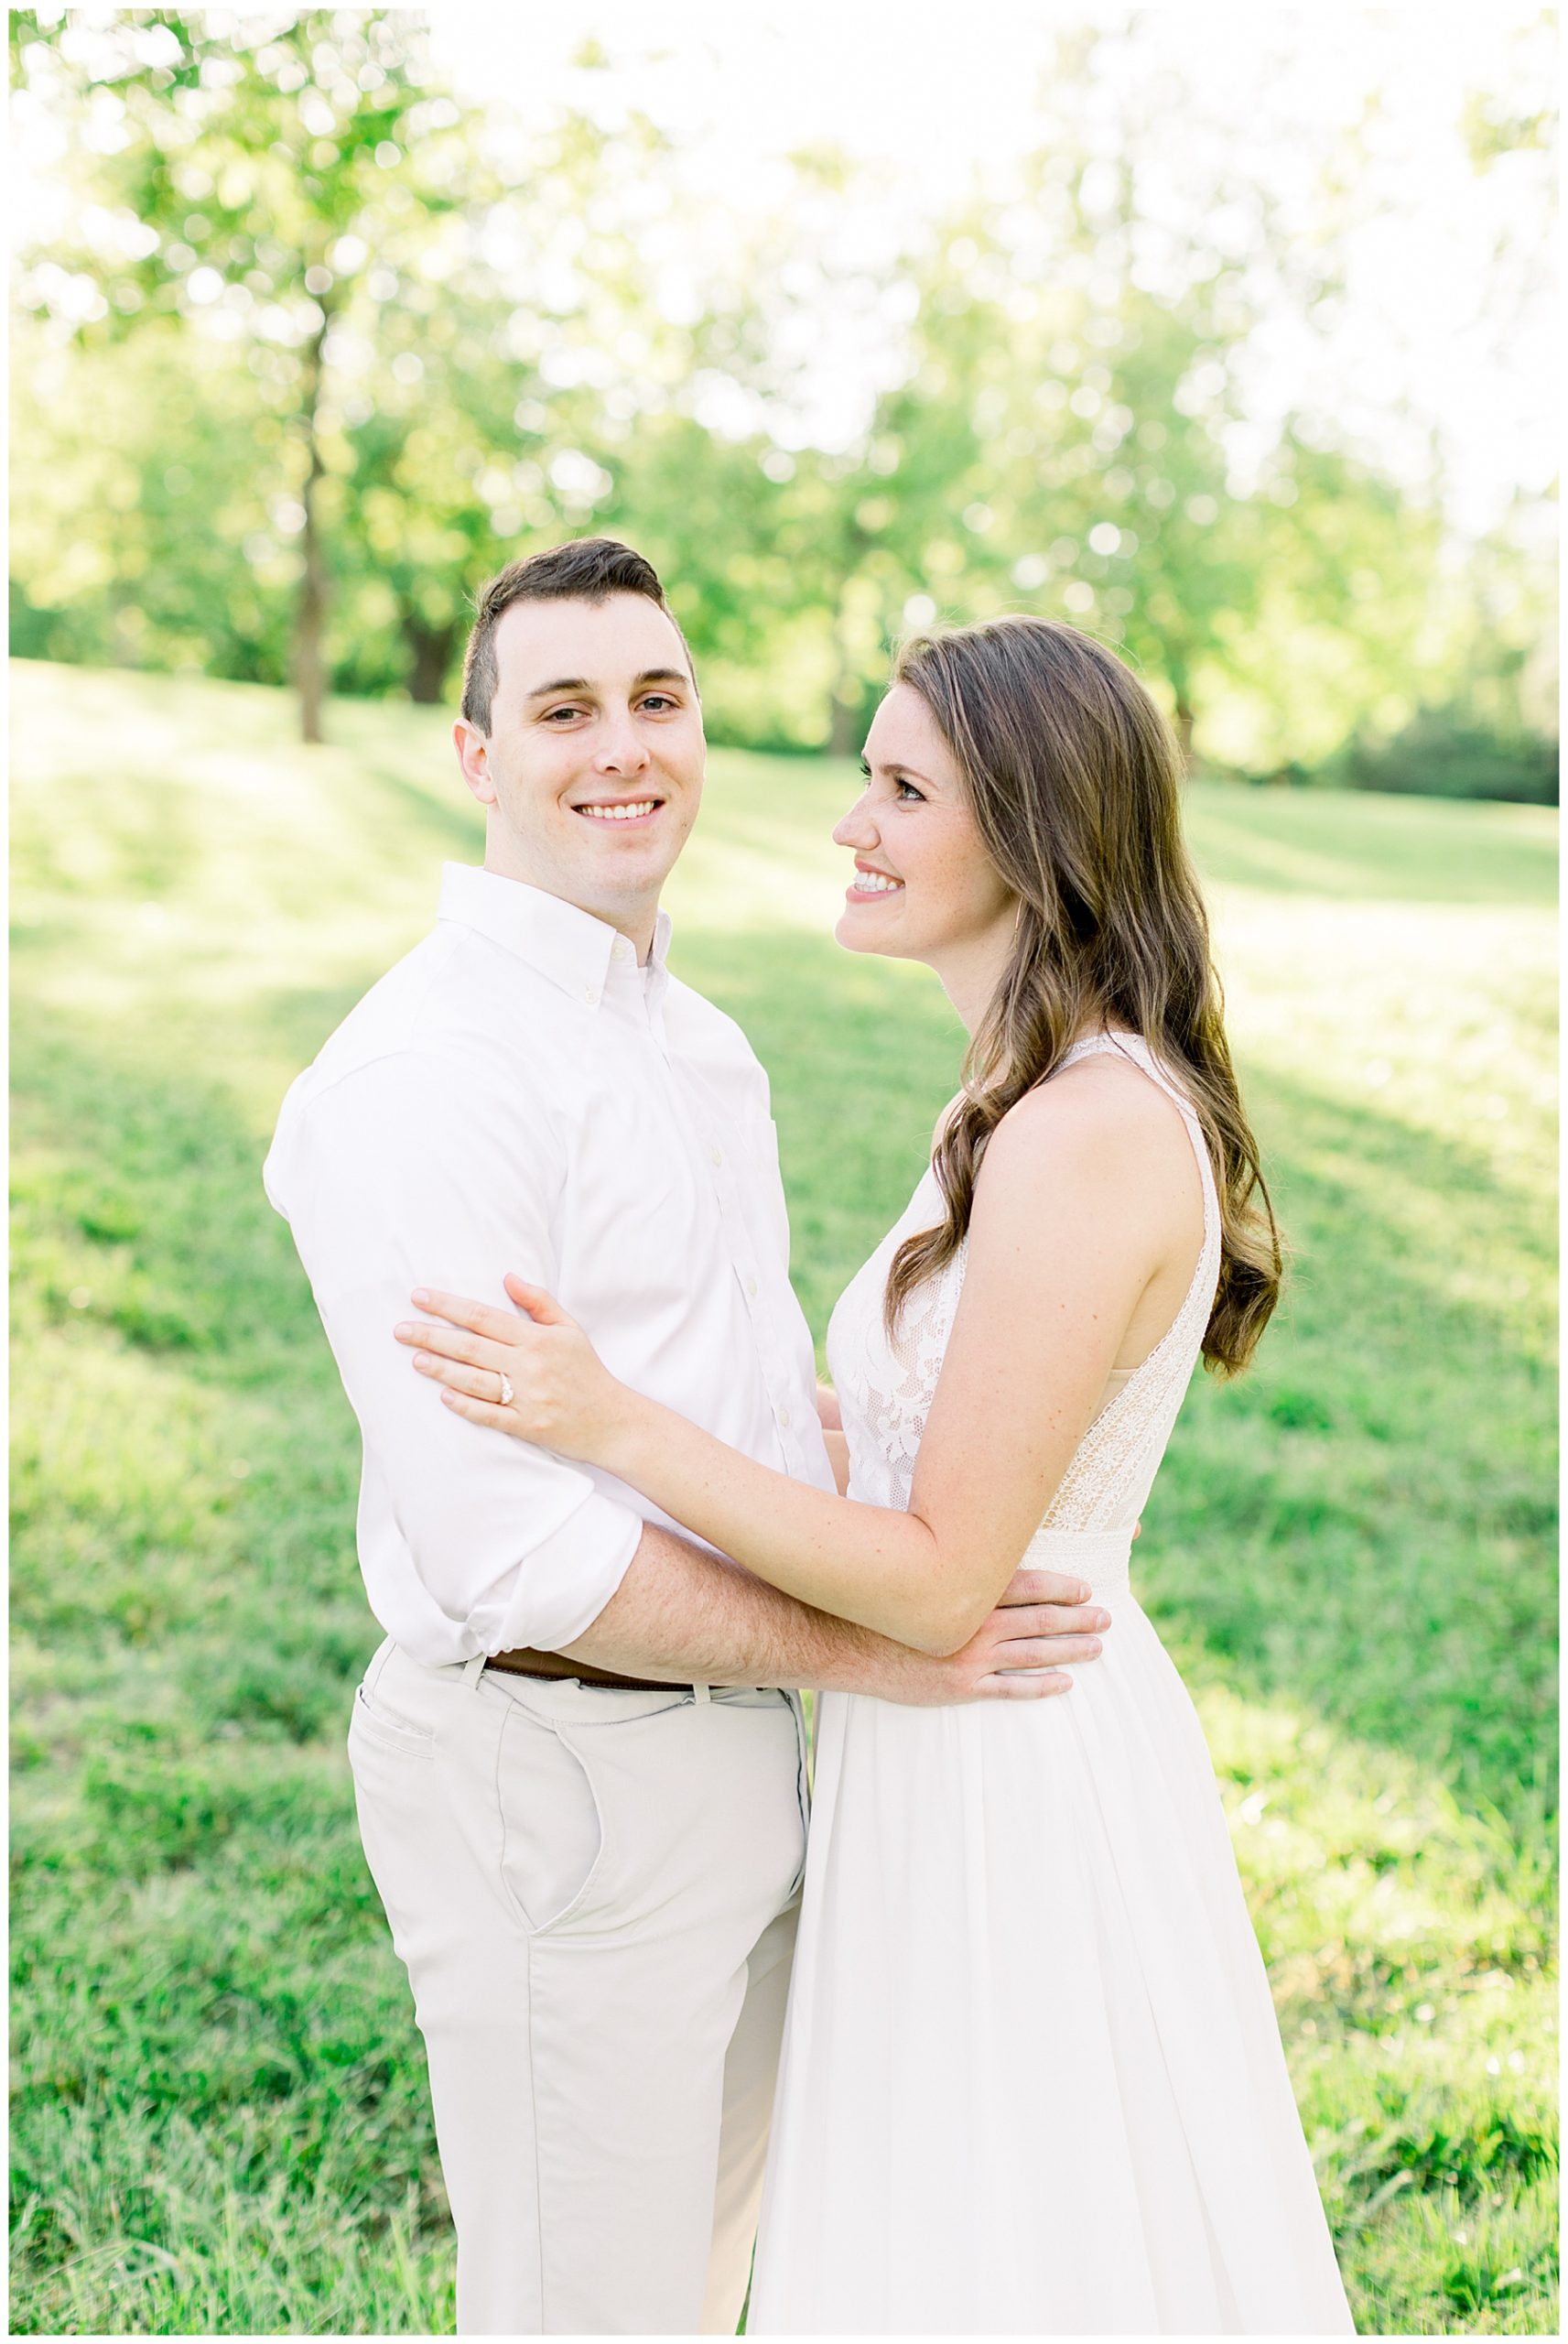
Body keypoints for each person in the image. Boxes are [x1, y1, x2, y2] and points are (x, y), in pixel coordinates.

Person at [398, 612, 1357, 2334]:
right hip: (941, 1732)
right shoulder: (1008, 1100)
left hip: (1008, 1739)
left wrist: (611, 1420)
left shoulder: (1082, 1128)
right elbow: (941, 1442)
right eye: (866, 777)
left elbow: (936, 1579)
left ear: (1035, 830)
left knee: (1016, 2242)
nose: (851, 825)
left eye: (903, 790)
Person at [263, 542, 1109, 2338]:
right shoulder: (428, 1079)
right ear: (475, 755)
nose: (622, 746)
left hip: (743, 1765)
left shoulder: (702, 1047)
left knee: (702, 2285)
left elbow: (727, 1405)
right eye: (562, 708)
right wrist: (889, 1651)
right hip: (561, 1774)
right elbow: (518, 1554)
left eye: (657, 698)